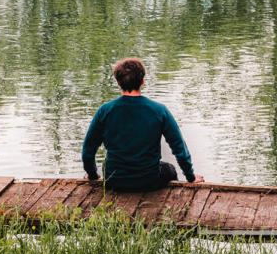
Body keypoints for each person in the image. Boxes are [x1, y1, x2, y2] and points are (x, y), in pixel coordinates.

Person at [81, 56, 203, 192]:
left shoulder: (104, 110)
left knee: (107, 165)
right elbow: (179, 148)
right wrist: (190, 177)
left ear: (118, 82)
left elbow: (88, 150)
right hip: (149, 180)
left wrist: (92, 174)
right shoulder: (159, 110)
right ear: (143, 81)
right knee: (170, 169)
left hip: (113, 180)